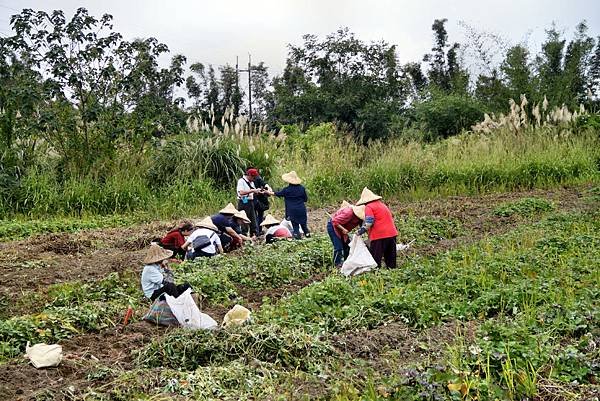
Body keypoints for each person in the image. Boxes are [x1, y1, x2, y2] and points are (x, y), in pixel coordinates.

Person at [356, 187, 398, 268]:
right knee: (391, 259)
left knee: (375, 259)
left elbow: (369, 222)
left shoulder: (369, 207)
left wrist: (360, 232)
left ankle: (376, 275)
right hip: (392, 233)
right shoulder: (382, 204)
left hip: (379, 235)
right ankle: (392, 273)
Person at [268, 171, 310, 239]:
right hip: (301, 209)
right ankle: (309, 237)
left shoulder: (287, 190)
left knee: (295, 227)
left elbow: (278, 193)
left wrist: (269, 192)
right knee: (304, 226)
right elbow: (305, 199)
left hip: (292, 210)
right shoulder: (302, 188)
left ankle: (298, 240)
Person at [327, 203, 365, 268]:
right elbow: (334, 221)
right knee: (338, 247)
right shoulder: (349, 213)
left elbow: (363, 227)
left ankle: (347, 262)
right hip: (333, 227)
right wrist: (343, 229)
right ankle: (336, 265)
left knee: (347, 246)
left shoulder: (359, 218)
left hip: (342, 229)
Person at [237, 168, 261, 237]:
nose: (254, 178)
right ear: (249, 175)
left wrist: (258, 191)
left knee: (253, 220)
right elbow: (241, 192)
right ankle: (244, 236)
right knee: (244, 220)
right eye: (253, 177)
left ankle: (254, 235)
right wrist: (252, 190)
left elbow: (252, 192)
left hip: (250, 202)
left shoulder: (252, 182)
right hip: (243, 202)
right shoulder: (241, 181)